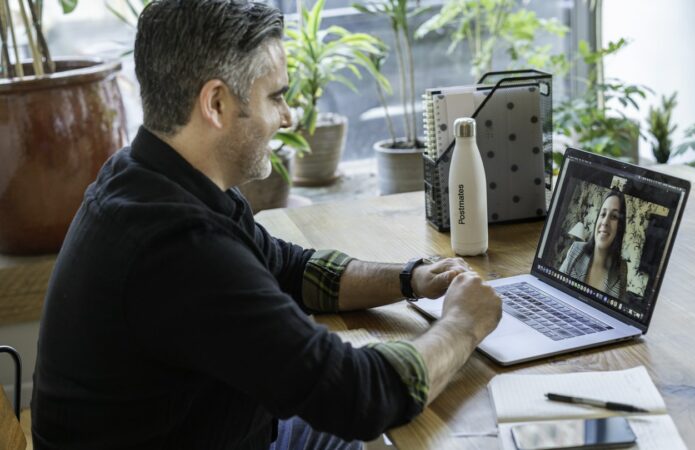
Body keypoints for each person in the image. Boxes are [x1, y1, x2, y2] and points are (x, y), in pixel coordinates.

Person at [30, 1, 502, 449]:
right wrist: (463, 324)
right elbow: (359, 396)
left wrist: (411, 278)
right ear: (215, 103)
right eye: (276, 96)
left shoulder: (148, 175)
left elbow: (289, 269)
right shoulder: (179, 249)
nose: (288, 116)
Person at [559, 189, 628, 298]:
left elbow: (620, 309)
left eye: (614, 216)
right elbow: (555, 287)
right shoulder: (576, 249)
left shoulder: (622, 269)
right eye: (603, 214)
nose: (605, 222)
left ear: (619, 227)